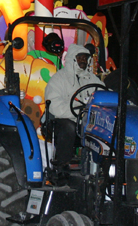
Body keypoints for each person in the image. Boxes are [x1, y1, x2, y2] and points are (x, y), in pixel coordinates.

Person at [43, 45, 102, 174]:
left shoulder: (92, 79)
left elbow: (103, 96)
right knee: (68, 127)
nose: (83, 60)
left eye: (85, 58)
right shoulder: (59, 79)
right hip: (61, 121)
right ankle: (61, 168)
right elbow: (54, 105)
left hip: (86, 123)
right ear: (72, 59)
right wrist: (78, 111)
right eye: (80, 57)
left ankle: (102, 167)